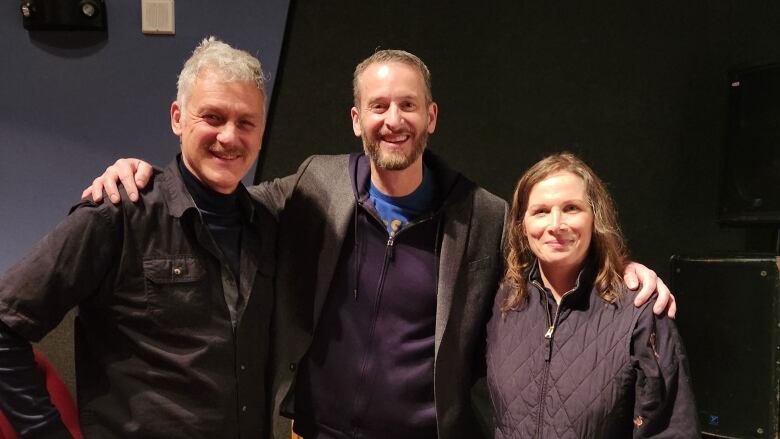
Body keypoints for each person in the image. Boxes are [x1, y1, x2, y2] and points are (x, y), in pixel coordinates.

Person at [85, 50, 676, 439]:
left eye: (408, 105)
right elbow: (226, 199)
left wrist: (620, 267)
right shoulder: (315, 183)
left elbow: (550, 256)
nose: (393, 119)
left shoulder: (484, 214)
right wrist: (148, 173)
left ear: (431, 116)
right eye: (379, 106)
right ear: (355, 119)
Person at [0, 37, 276, 438]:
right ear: (178, 118)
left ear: (262, 131)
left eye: (245, 122)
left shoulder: (266, 223)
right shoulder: (118, 212)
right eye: (213, 117)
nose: (230, 137)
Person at [486, 153, 698, 438]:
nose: (556, 224)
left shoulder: (639, 311)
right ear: (522, 226)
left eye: (572, 208)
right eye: (540, 211)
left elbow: (671, 431)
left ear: (595, 218)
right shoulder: (503, 302)